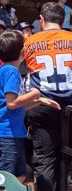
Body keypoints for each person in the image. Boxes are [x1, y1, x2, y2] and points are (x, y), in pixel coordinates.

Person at [22, 2, 72, 191]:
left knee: (44, 158)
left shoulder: (29, 42)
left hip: (41, 102)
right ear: (63, 20)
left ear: (41, 19)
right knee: (65, 155)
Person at [0, 31, 58, 181]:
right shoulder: (11, 72)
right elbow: (12, 103)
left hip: (13, 132)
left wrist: (38, 101)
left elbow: (15, 105)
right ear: (23, 53)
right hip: (7, 134)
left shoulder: (7, 71)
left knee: (20, 175)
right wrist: (34, 93)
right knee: (7, 178)